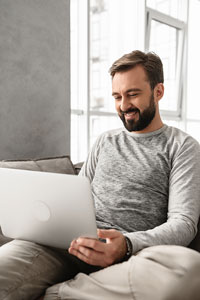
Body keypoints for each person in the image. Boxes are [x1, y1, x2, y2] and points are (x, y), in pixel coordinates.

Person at [0, 50, 200, 300]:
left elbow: (184, 222)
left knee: (190, 269)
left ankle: (62, 292)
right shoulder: (105, 141)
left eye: (133, 94)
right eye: (117, 96)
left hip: (131, 257)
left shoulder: (182, 146)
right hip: (69, 245)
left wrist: (126, 245)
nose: (124, 105)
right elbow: (73, 198)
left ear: (158, 92)